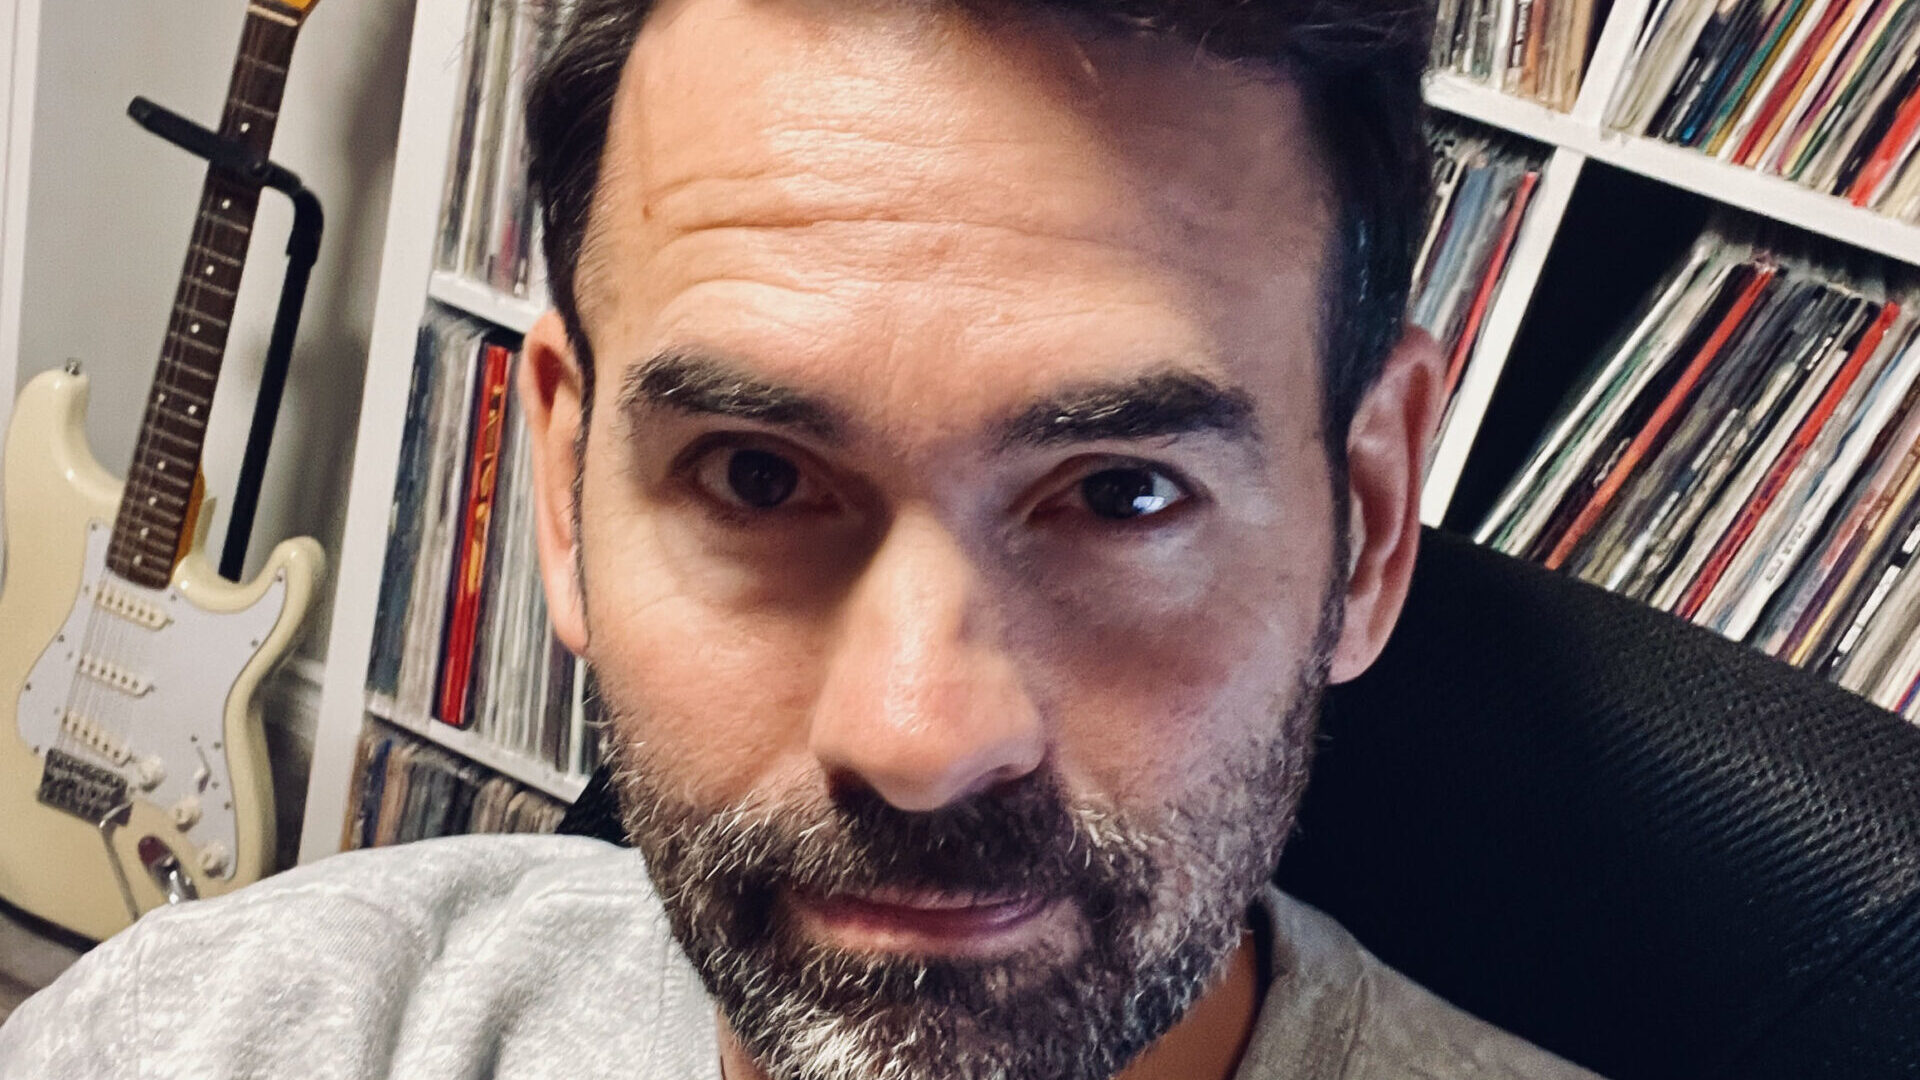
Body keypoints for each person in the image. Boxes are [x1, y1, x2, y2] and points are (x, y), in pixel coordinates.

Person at [0, 0, 1606, 1077]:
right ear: (562, 489)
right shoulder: (236, 1031)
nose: (917, 739)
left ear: (1372, 521)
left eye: (1120, 492)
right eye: (757, 477)